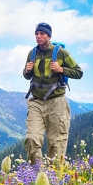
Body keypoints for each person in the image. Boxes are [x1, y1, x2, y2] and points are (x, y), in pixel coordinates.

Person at [23, 22, 83, 165]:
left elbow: (78, 73)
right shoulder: (32, 53)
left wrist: (61, 69)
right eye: (36, 34)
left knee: (57, 142)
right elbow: (26, 76)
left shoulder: (61, 53)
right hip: (36, 100)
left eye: (42, 34)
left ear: (49, 36)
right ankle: (37, 172)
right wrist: (27, 70)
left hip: (57, 101)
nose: (38, 36)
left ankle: (54, 176)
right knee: (32, 138)